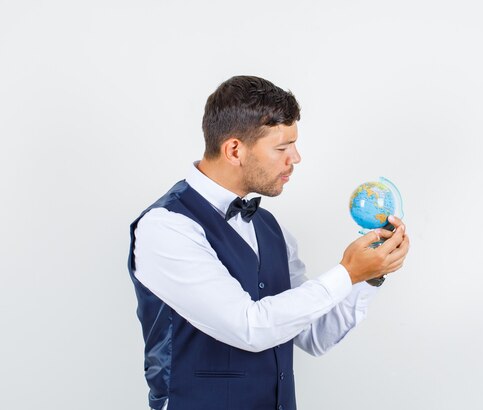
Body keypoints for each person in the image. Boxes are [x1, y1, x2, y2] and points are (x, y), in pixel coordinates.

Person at [127, 75, 410, 410]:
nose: (296, 158)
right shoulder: (165, 227)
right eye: (282, 147)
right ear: (234, 149)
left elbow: (316, 335)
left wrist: (370, 275)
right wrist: (346, 273)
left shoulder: (271, 229)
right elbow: (249, 327)